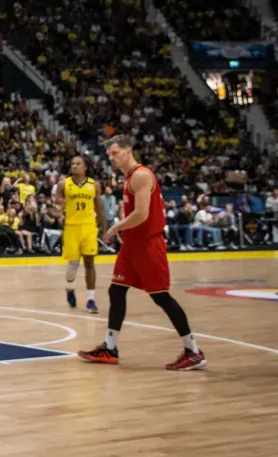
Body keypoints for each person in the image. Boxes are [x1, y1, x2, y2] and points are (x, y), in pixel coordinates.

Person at [78, 135, 207, 371]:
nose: (111, 158)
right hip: (132, 245)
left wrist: (116, 226)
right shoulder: (128, 178)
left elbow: (142, 214)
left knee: (161, 297)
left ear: (128, 150)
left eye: (115, 153)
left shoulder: (141, 175)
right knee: (116, 290)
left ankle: (193, 350)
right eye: (109, 155)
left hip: (148, 244)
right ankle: (110, 347)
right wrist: (124, 229)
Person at [55, 155, 104, 313]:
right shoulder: (63, 184)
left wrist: (105, 228)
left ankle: (90, 300)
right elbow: (57, 200)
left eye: (78, 163)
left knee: (90, 263)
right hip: (71, 227)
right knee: (73, 264)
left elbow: (99, 208)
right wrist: (60, 205)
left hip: (89, 226)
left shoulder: (94, 185)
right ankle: (70, 288)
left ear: (85, 167)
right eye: (72, 163)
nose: (74, 166)